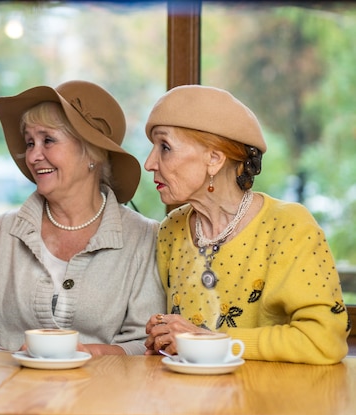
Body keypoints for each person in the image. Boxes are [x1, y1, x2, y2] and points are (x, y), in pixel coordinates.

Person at [0, 80, 165, 356]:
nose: (33, 156)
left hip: (105, 396)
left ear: (92, 152)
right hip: (13, 395)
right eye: (30, 142)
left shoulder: (144, 238)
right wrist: (16, 361)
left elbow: (146, 343)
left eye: (47, 140)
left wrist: (86, 354)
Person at [143, 84, 351, 364]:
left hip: (268, 402)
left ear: (214, 159)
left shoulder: (289, 226)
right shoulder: (171, 228)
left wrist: (212, 342)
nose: (149, 163)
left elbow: (324, 340)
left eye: (165, 147)